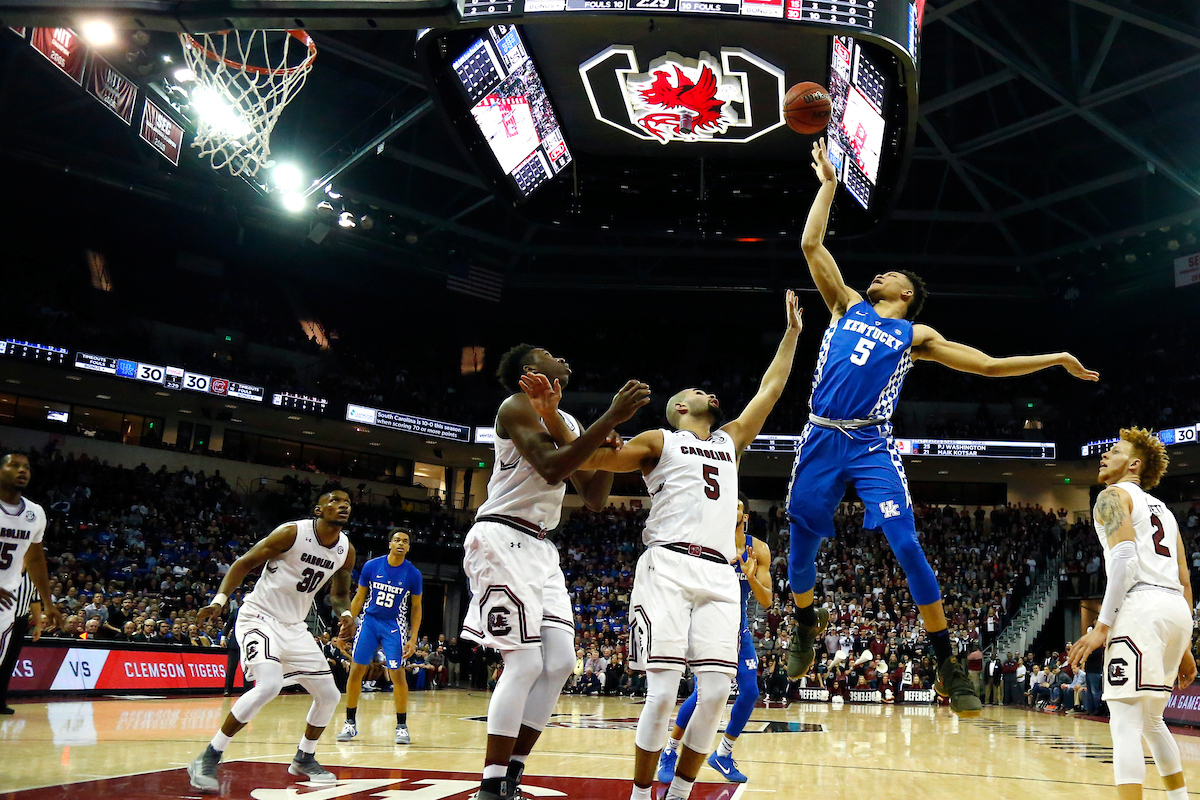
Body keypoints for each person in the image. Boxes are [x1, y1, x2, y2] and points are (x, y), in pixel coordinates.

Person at [786, 139, 1100, 716]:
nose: (875, 274)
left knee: (906, 543)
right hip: (819, 438)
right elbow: (811, 244)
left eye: (889, 274)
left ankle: (948, 664)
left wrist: (1054, 357)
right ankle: (807, 619)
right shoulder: (846, 306)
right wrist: (828, 185)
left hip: (870, 444)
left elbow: (987, 366)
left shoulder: (917, 336)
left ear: (904, 295)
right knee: (800, 550)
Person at [529, 291, 800, 800]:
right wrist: (575, 427)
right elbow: (592, 465)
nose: (705, 392)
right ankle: (638, 794)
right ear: (679, 407)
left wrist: (790, 335)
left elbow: (772, 387)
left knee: (717, 691)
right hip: (668, 566)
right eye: (695, 388)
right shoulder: (658, 440)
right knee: (660, 694)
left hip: (721, 574)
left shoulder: (729, 440)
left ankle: (676, 794)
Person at [461, 344, 650, 800]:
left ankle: (513, 773)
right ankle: (489, 785)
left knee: (562, 661)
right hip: (501, 535)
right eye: (547, 352)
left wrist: (605, 444)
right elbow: (549, 469)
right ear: (531, 371)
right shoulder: (516, 405)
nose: (561, 354)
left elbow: (594, 496)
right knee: (524, 662)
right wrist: (609, 419)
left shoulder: (572, 425)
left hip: (542, 547)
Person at [187, 489, 357, 793]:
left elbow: (340, 594)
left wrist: (346, 614)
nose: (342, 506)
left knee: (330, 695)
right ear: (318, 510)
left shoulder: (345, 549)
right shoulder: (292, 533)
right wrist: (219, 600)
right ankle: (209, 756)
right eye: (334, 501)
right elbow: (244, 563)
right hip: (259, 618)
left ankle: (304, 757)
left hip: (294, 627)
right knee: (269, 685)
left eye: (346, 502)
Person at [1069, 428, 1195, 800]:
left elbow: (1124, 558)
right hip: (1174, 610)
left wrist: (1101, 627)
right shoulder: (1167, 513)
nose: (1104, 455)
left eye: (1115, 451)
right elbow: (1185, 581)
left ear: (1134, 463)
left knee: (1124, 720)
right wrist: (1184, 645)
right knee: (1153, 721)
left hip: (1142, 607)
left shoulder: (1112, 496)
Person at [658, 494, 773, 784]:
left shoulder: (758, 549)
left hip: (738, 628)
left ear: (745, 515)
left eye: (737, 506)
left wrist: (752, 577)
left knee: (750, 692)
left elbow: (768, 601)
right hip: (708, 626)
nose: (732, 510)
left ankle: (722, 753)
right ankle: (670, 751)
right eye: (728, 504)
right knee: (703, 695)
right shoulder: (707, 543)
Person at [337, 529, 423, 745]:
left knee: (397, 673)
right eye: (397, 540)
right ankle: (349, 722)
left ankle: (401, 726)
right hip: (370, 621)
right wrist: (348, 622)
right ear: (390, 544)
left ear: (409, 547)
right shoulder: (371, 566)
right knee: (357, 669)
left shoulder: (413, 574)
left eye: (405, 541)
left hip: (393, 625)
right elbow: (359, 597)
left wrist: (413, 639)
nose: (401, 543)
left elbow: (416, 607)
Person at [0, 453, 63, 698]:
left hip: (6, 604)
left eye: (26, 467)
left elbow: (35, 559)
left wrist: (48, 603)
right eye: (14, 465)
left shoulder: (35, 513)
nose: (22, 470)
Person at [0, 571, 42, 713]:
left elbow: (35, 601)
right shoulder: (5, 571)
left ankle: (0, 702)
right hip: (2, 620)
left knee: (9, 662)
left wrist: (38, 625)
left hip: (20, 621)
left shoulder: (33, 575)